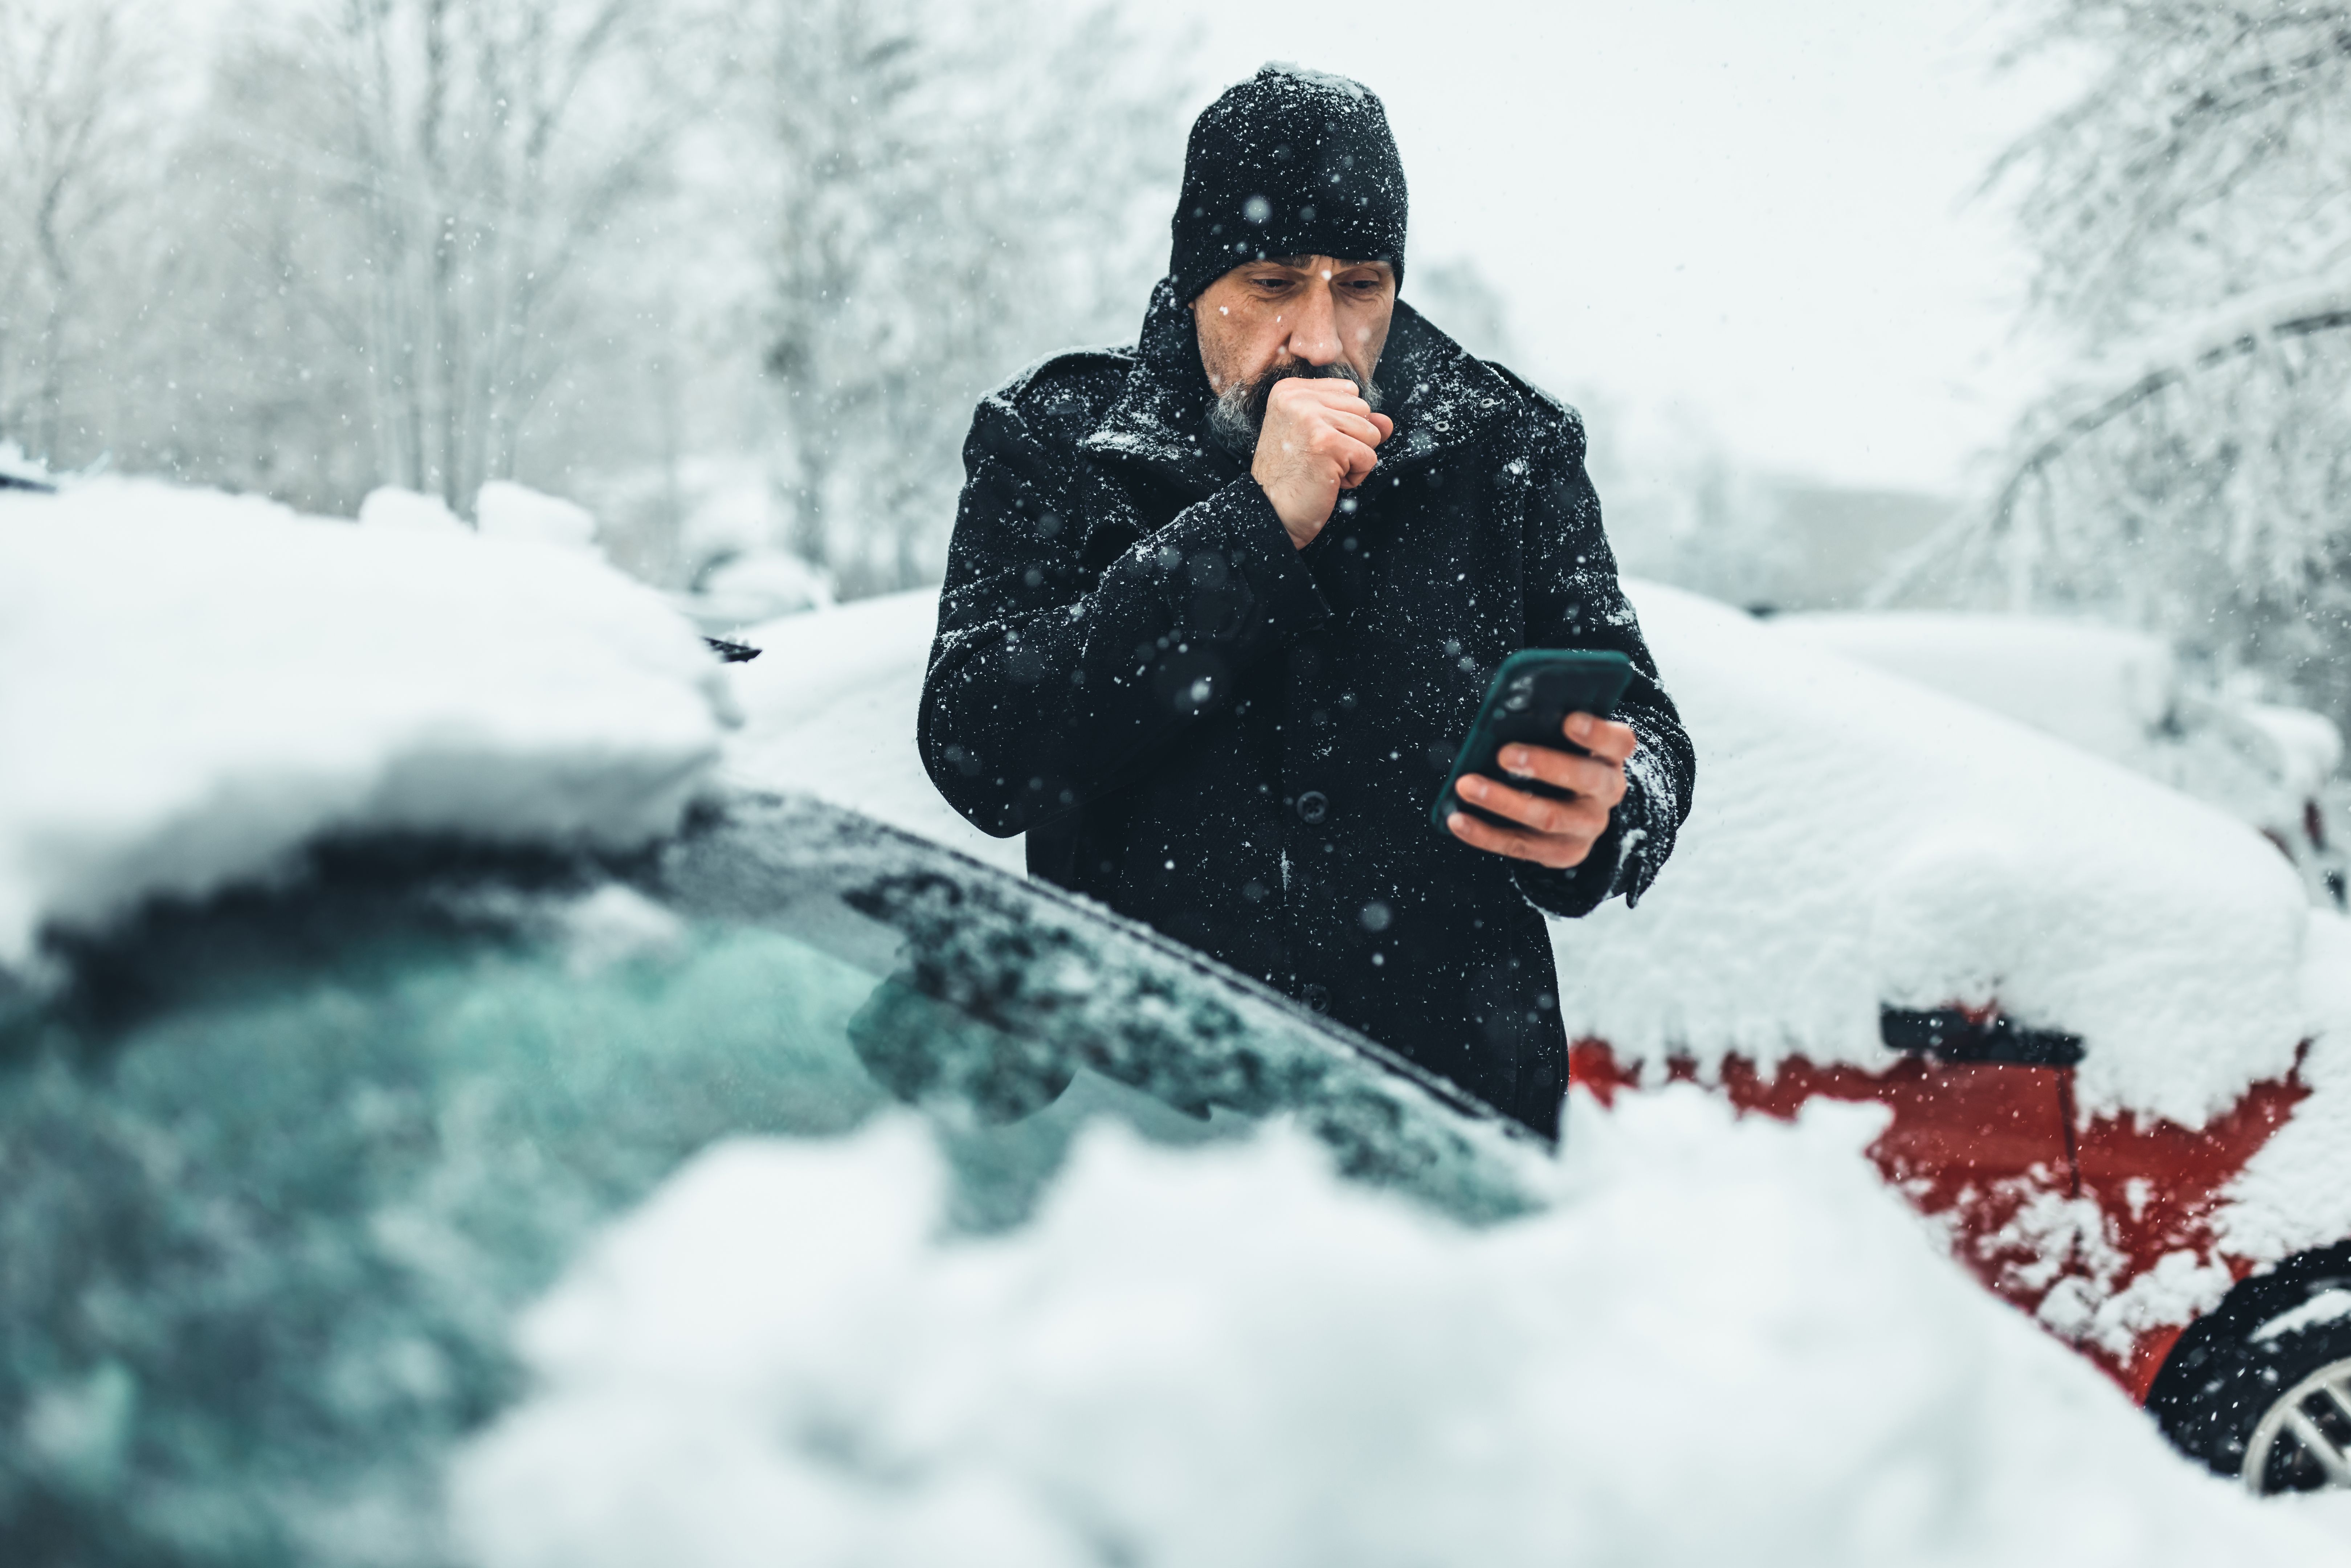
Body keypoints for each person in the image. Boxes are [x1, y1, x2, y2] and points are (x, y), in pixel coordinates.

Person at [919, 64, 1694, 1141]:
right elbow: (980, 751)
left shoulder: (1505, 449)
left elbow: (1649, 731)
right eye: (1277, 284)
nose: (1323, 340)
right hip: (1145, 1149)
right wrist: (1254, 527)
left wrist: (1611, 816)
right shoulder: (1058, 443)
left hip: (1450, 1143)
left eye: (1363, 285)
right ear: (1196, 283)